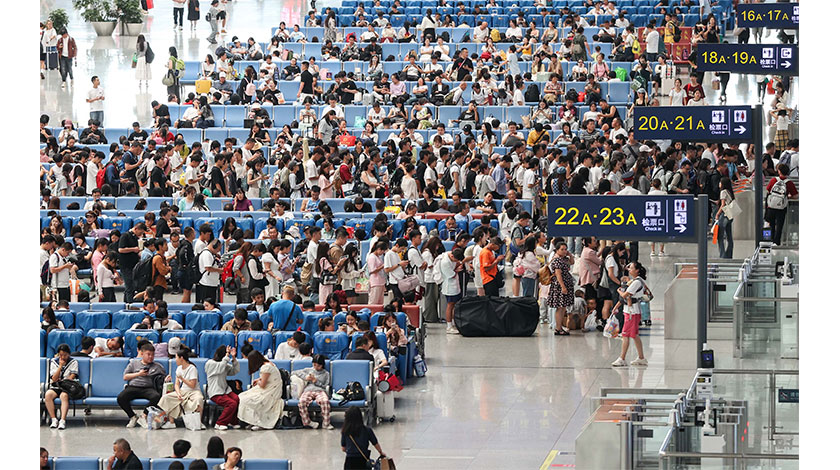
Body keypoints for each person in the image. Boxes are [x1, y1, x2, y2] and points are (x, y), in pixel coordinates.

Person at [117, 343, 167, 428]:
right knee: (121, 398)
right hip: (134, 387)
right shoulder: (133, 363)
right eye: (148, 354)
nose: (151, 357)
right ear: (142, 354)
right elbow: (125, 377)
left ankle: (144, 415)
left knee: (156, 396)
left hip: (148, 388)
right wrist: (138, 374)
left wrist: (166, 379)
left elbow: (163, 378)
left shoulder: (157, 366)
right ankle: (133, 416)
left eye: (152, 355)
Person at [612, 262, 649, 367]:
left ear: (637, 270)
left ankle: (622, 358)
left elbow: (625, 295)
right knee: (634, 335)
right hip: (632, 311)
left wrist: (619, 291)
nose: (629, 269)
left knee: (625, 335)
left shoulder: (636, 282)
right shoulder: (636, 281)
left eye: (631, 268)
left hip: (631, 312)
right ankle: (641, 357)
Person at [156, 348, 204, 429]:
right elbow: (177, 384)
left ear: (181, 358)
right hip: (183, 391)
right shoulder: (178, 369)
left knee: (199, 399)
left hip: (194, 391)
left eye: (176, 357)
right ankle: (171, 422)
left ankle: (198, 422)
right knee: (166, 398)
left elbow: (192, 385)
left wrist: (182, 378)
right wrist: (178, 393)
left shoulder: (192, 368)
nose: (175, 360)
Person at [237, 350, 285, 430]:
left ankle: (258, 422)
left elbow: (262, 385)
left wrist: (258, 381)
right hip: (272, 388)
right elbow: (268, 378)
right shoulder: (269, 363)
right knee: (242, 396)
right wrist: (259, 379)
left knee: (245, 399)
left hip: (271, 391)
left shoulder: (266, 368)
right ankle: (253, 421)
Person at [293, 354, 333, 430]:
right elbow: (294, 372)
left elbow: (326, 386)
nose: (316, 367)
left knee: (325, 401)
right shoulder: (309, 370)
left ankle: (326, 423)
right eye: (314, 365)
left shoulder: (326, 374)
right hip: (308, 390)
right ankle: (308, 422)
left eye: (318, 366)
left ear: (322, 365)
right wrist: (306, 377)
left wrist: (316, 382)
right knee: (302, 401)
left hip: (320, 390)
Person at [206, 345, 241, 430]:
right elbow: (220, 369)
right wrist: (227, 356)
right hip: (215, 392)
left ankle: (233, 421)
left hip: (225, 390)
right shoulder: (210, 363)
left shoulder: (224, 364)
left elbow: (234, 371)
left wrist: (234, 358)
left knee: (236, 399)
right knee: (231, 404)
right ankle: (220, 423)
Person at [45, 343, 79, 430]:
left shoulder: (73, 362)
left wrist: (63, 381)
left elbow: (71, 377)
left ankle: (62, 420)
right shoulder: (54, 362)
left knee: (64, 396)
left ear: (69, 354)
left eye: (65, 355)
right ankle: (54, 419)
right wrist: (60, 367)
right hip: (56, 386)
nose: (63, 357)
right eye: (61, 355)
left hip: (66, 387)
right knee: (48, 395)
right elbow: (54, 378)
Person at [765, 164, 798, 246]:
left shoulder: (774, 180)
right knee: (779, 225)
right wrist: (788, 196)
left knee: (771, 224)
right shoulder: (789, 183)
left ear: (779, 171)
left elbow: (768, 190)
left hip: (771, 206)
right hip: (781, 207)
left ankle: (770, 240)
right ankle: (776, 242)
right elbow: (795, 195)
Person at [547, 240, 574, 336]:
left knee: (563, 307)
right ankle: (558, 327)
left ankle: (560, 327)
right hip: (559, 286)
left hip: (566, 284)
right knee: (560, 307)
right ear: (557, 250)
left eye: (565, 249)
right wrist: (563, 286)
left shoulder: (564, 259)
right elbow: (558, 275)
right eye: (562, 249)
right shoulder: (557, 260)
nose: (564, 251)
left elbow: (572, 262)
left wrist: (570, 255)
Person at [440, 248, 465, 334]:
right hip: (449, 286)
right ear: (452, 256)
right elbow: (451, 275)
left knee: (454, 305)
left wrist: (458, 265)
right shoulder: (445, 262)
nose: (457, 261)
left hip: (455, 285)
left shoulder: (452, 255)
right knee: (450, 305)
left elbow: (457, 264)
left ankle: (454, 323)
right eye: (456, 260)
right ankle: (449, 326)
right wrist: (457, 270)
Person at [716, 177, 736, 259]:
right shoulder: (729, 191)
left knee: (720, 236)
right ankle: (729, 254)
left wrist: (717, 214)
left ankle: (722, 255)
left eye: (720, 182)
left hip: (724, 215)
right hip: (730, 215)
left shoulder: (723, 192)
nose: (719, 184)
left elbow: (723, 205)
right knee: (729, 236)